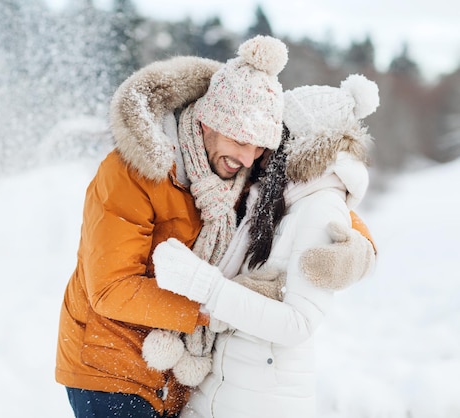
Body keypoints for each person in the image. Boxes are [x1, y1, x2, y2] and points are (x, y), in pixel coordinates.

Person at [55, 34, 376, 418]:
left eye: (259, 148)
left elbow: (308, 199)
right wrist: (211, 308)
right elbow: (110, 288)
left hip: (179, 376)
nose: (246, 157)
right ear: (209, 121)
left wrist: (361, 246)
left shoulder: (242, 173)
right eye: (240, 140)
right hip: (111, 364)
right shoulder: (133, 170)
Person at [152, 74, 380, 417]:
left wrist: (206, 286)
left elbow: (298, 323)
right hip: (222, 390)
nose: (258, 147)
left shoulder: (319, 207)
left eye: (272, 135)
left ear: (296, 140)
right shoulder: (275, 198)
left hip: (261, 401)